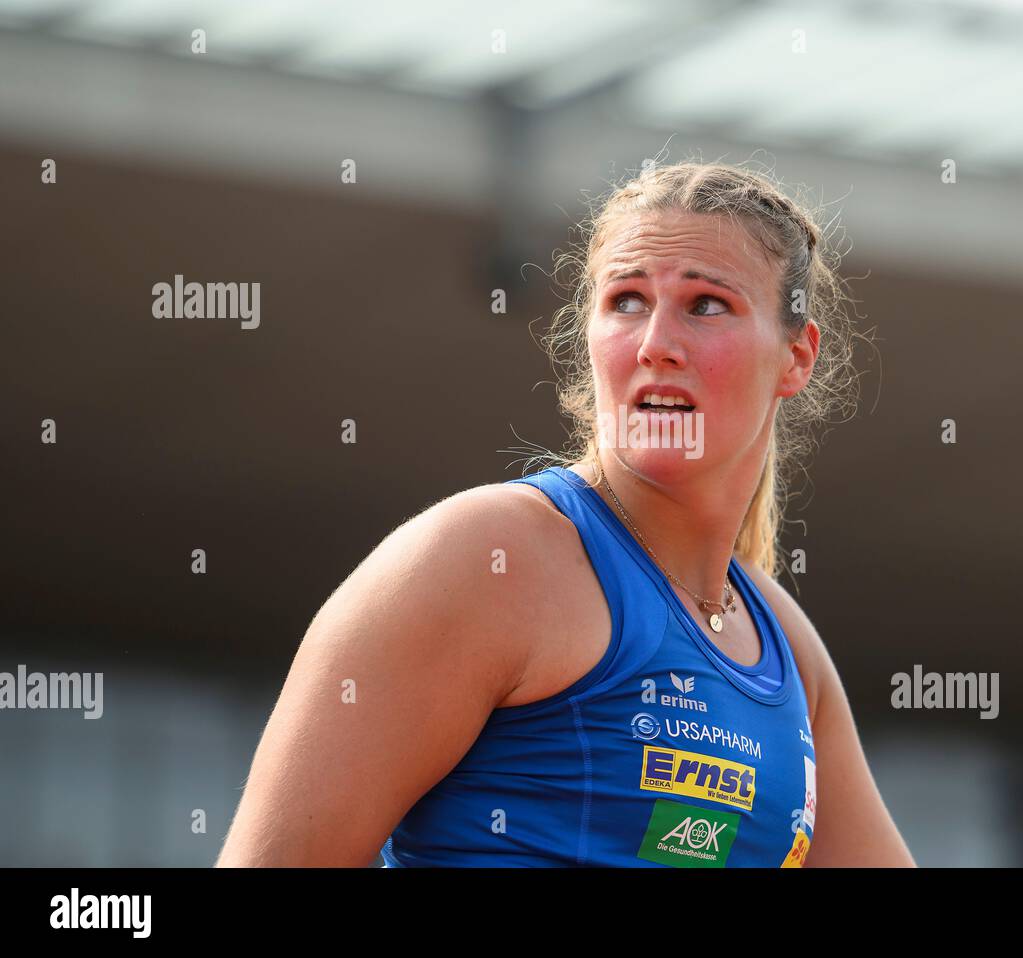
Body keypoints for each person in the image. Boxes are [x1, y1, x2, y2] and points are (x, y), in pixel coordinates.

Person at [216, 160, 915, 867]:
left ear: (796, 357)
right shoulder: (486, 558)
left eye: (705, 305)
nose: (655, 344)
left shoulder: (787, 647)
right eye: (627, 301)